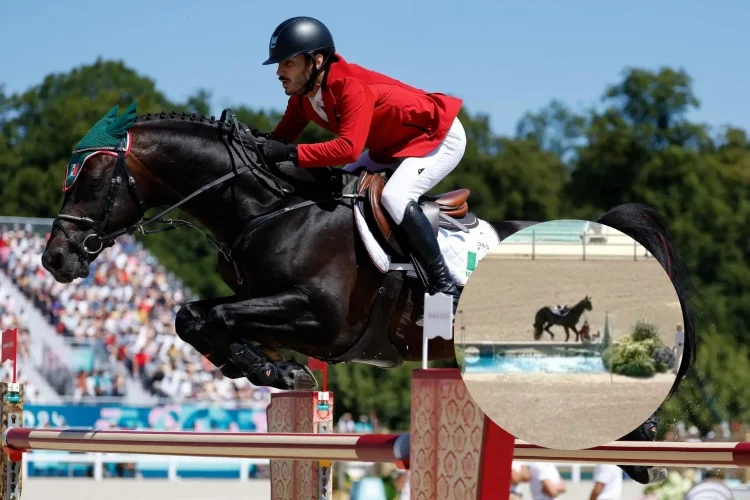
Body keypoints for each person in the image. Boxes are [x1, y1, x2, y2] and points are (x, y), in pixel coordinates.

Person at [256, 16, 466, 315]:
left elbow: (347, 148)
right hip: (389, 147)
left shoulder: (349, 86)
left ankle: (444, 289)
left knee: (395, 197)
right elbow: (279, 141)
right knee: (341, 193)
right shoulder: (303, 97)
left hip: (437, 137)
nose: (279, 72)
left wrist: (290, 154)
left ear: (316, 60)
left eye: (287, 63)